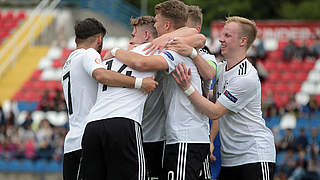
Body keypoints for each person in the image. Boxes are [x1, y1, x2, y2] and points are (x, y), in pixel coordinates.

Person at [106, 1, 214, 179]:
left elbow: (142, 63)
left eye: (157, 21)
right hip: (185, 135)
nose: (155, 25)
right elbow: (197, 37)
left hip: (183, 137)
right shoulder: (180, 45)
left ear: (166, 25)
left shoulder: (175, 50)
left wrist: (116, 51)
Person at [172, 16, 276, 180]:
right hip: (231, 160)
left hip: (255, 156)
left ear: (242, 41)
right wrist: (211, 140)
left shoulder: (245, 77)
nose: (221, 39)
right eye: (222, 35)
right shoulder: (222, 68)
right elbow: (213, 98)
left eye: (227, 35)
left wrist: (187, 87)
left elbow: (215, 112)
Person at [61, 18, 157, 180]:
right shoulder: (89, 54)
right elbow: (101, 74)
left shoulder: (67, 64)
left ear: (77, 39)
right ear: (99, 39)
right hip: (86, 138)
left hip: (72, 141)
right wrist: (139, 83)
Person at [128, 16, 166, 180]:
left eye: (133, 35)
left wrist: (115, 52)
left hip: (155, 138)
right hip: (135, 136)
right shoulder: (132, 57)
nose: (130, 39)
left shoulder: (157, 56)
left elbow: (196, 36)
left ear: (146, 36)